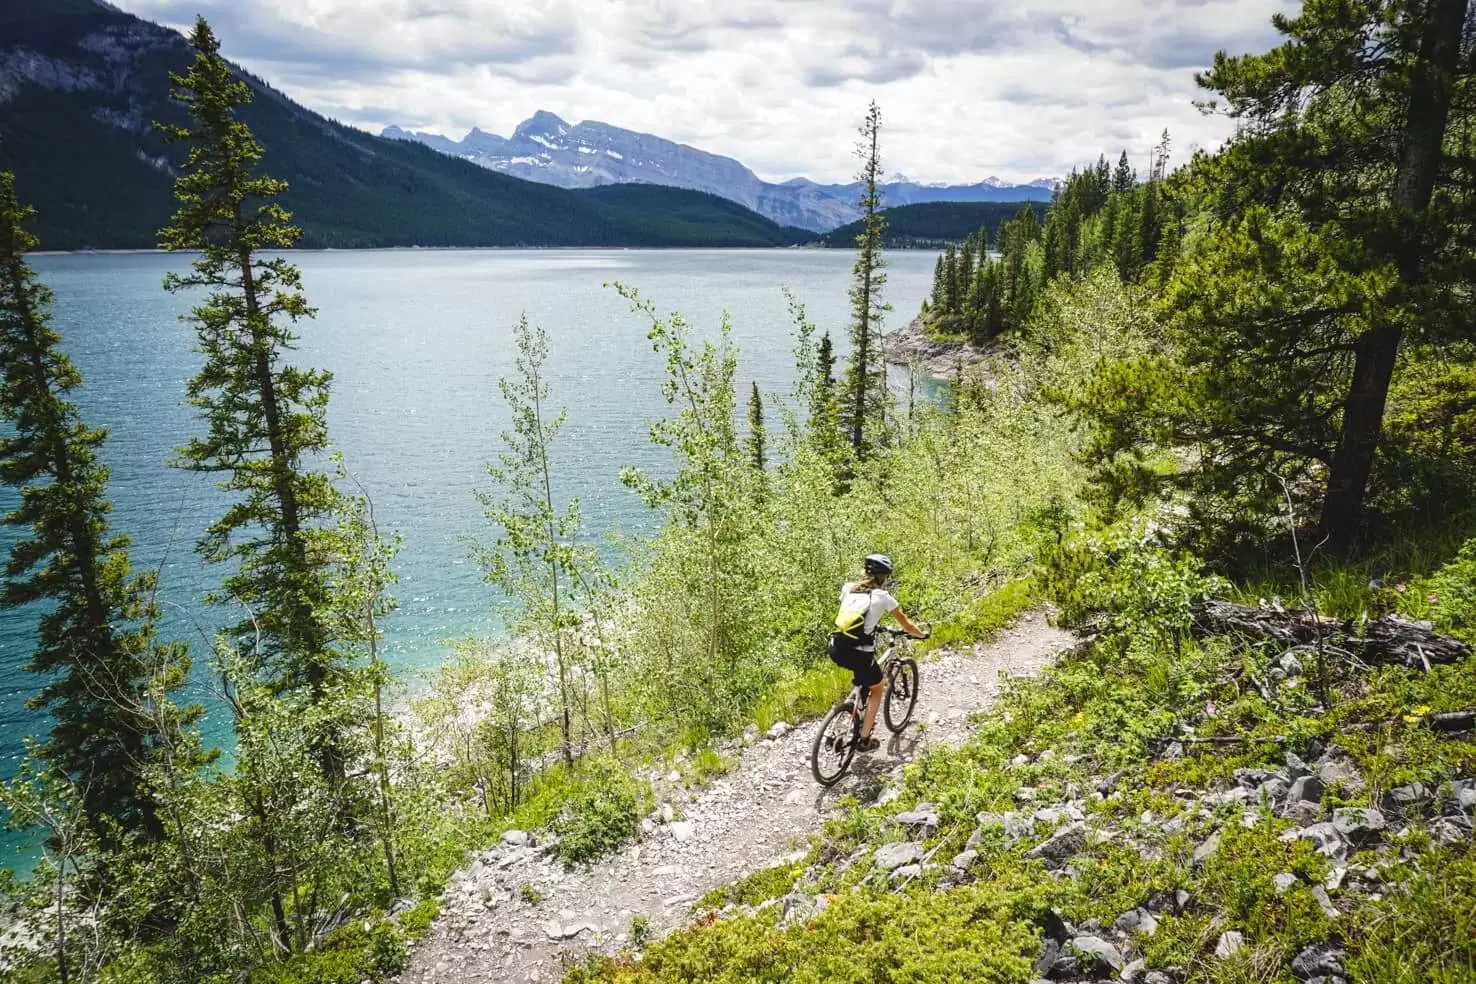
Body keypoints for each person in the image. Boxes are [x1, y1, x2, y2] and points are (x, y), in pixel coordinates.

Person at [828, 553, 927, 751]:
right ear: (883, 577)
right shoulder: (883, 597)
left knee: (864, 678)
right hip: (860, 654)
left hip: (837, 647)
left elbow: (854, 614)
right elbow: (906, 624)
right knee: (877, 688)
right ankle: (864, 739)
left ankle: (845, 713)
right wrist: (921, 635)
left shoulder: (848, 588)